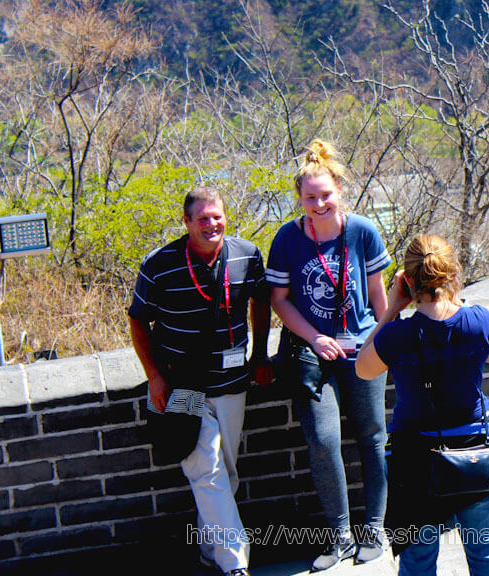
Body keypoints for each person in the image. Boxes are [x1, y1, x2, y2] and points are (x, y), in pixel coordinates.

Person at [129, 187, 272, 576]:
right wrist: (155, 377)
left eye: (217, 216)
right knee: (203, 466)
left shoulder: (246, 254)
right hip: (183, 387)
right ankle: (234, 562)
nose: (211, 224)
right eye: (202, 218)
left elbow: (262, 301)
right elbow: (137, 320)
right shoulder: (160, 264)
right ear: (187, 223)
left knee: (226, 470)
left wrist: (260, 354)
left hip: (230, 380)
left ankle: (209, 552)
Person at [266, 139, 391, 571]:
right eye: (309, 197)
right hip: (312, 355)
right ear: (299, 199)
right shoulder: (287, 238)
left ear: (340, 190)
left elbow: (378, 293)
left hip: (362, 350)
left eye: (325, 195)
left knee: (373, 436)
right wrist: (315, 337)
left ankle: (373, 527)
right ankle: (338, 535)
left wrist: (382, 337)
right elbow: (278, 299)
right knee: (322, 441)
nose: (318, 204)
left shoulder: (361, 231)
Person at [356, 234, 489, 576]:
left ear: (408, 282)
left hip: (415, 462)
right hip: (475, 454)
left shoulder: (397, 337)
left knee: (418, 562)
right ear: (452, 275)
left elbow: (363, 368)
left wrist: (393, 308)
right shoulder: (479, 321)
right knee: (486, 553)